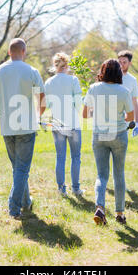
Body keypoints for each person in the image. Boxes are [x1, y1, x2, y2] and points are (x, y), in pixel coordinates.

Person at [0, 38, 45, 220]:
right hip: (26, 126)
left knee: (18, 168)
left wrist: (0, 111)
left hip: (7, 126)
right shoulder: (31, 71)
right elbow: (43, 98)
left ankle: (26, 202)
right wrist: (38, 116)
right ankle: (14, 207)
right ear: (24, 52)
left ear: (10, 52)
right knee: (22, 169)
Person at [83, 59, 134, 225]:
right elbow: (131, 116)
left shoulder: (94, 88)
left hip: (99, 135)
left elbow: (85, 114)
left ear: (102, 72)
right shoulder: (124, 91)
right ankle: (119, 213)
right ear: (119, 73)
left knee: (101, 175)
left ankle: (100, 207)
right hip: (118, 134)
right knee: (118, 174)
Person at [44, 52, 84, 197]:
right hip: (73, 123)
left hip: (57, 124)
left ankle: (61, 189)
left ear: (55, 66)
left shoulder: (48, 83)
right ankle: (76, 188)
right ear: (66, 65)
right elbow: (79, 103)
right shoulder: (73, 80)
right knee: (76, 157)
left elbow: (46, 104)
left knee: (60, 157)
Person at [117, 50, 138, 137]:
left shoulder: (132, 80)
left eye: (124, 62)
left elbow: (134, 102)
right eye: (119, 62)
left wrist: (137, 123)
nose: (121, 64)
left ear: (130, 63)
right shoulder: (111, 76)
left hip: (125, 122)